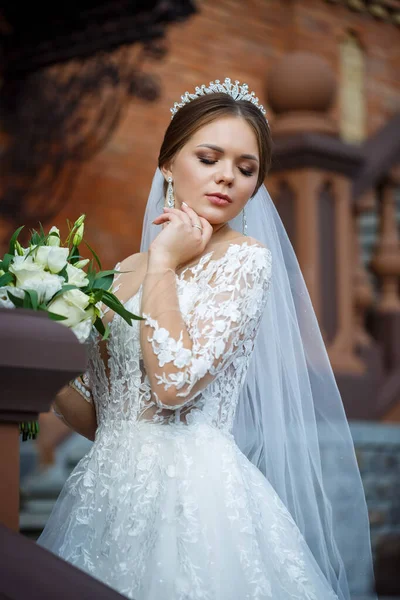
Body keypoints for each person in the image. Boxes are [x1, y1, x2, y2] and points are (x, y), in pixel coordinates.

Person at [38, 79, 375, 600]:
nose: (226, 178)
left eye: (246, 169)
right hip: (106, 494)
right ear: (169, 164)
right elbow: (101, 417)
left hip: (194, 499)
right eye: (209, 158)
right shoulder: (128, 269)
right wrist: (41, 339)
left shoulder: (244, 260)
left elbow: (174, 386)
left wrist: (167, 262)